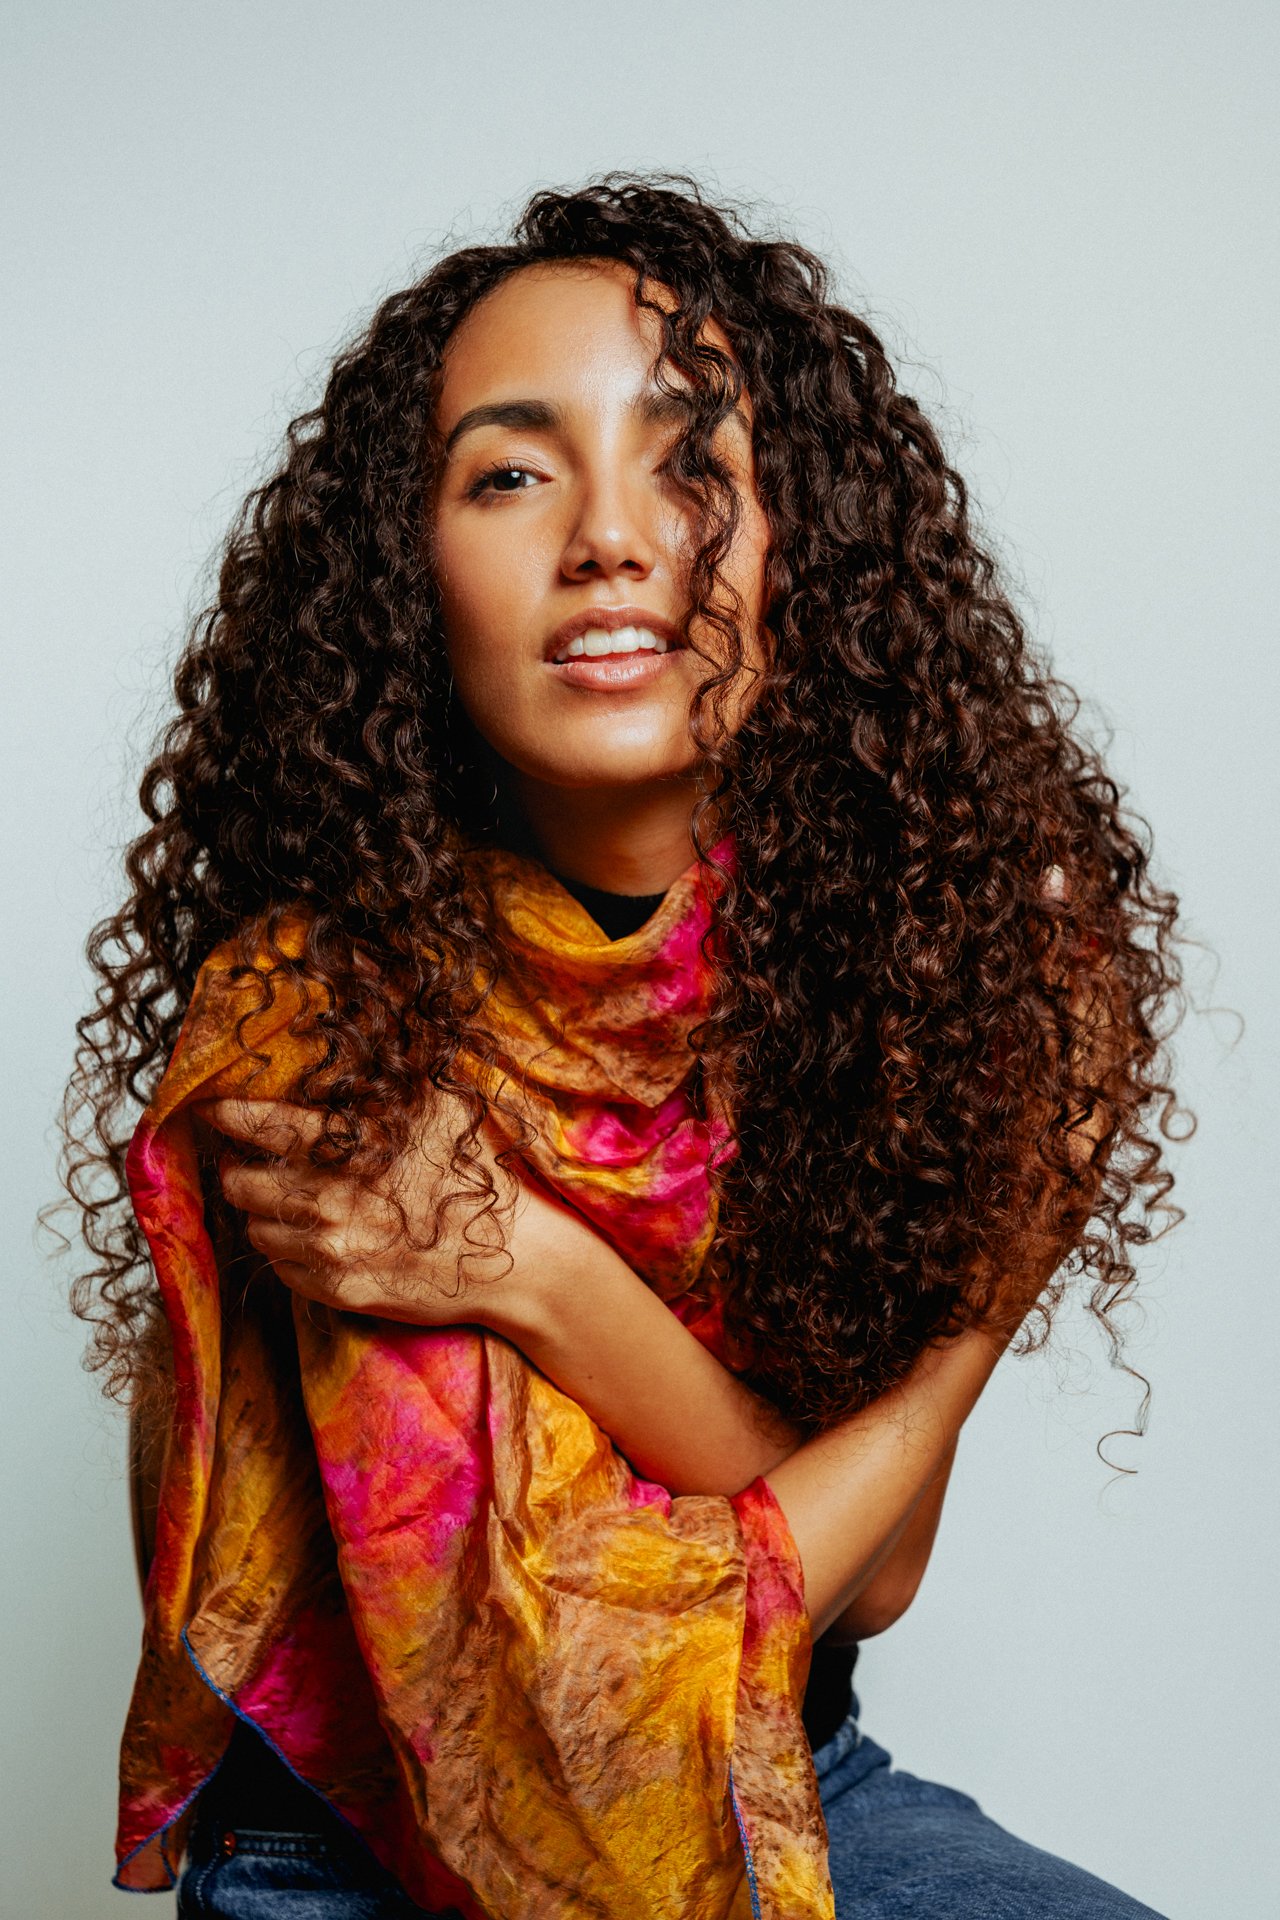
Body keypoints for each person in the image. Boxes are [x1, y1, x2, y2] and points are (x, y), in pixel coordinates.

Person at [62, 175, 1183, 1918]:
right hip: (388, 1834)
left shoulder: (924, 969)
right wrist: (947, 1345)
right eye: (512, 473)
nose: (610, 535)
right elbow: (613, 1638)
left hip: (793, 1772)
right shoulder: (310, 1021)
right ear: (401, 582)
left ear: (809, 551)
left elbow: (868, 1585)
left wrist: (532, 1269)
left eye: (690, 464)